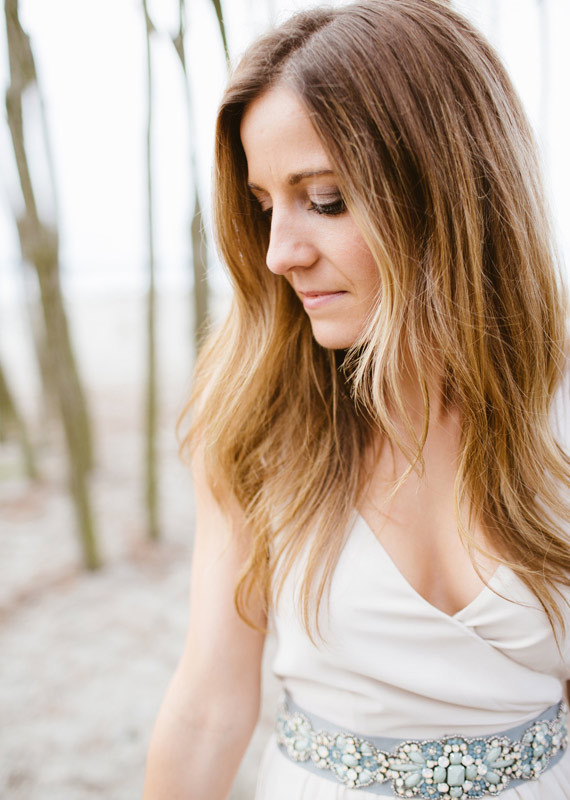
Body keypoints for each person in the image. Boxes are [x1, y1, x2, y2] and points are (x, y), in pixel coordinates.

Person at [142, 1, 570, 798]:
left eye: (326, 199)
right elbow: (209, 704)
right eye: (264, 206)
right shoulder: (256, 417)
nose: (279, 253)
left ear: (448, 190)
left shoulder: (556, 414)